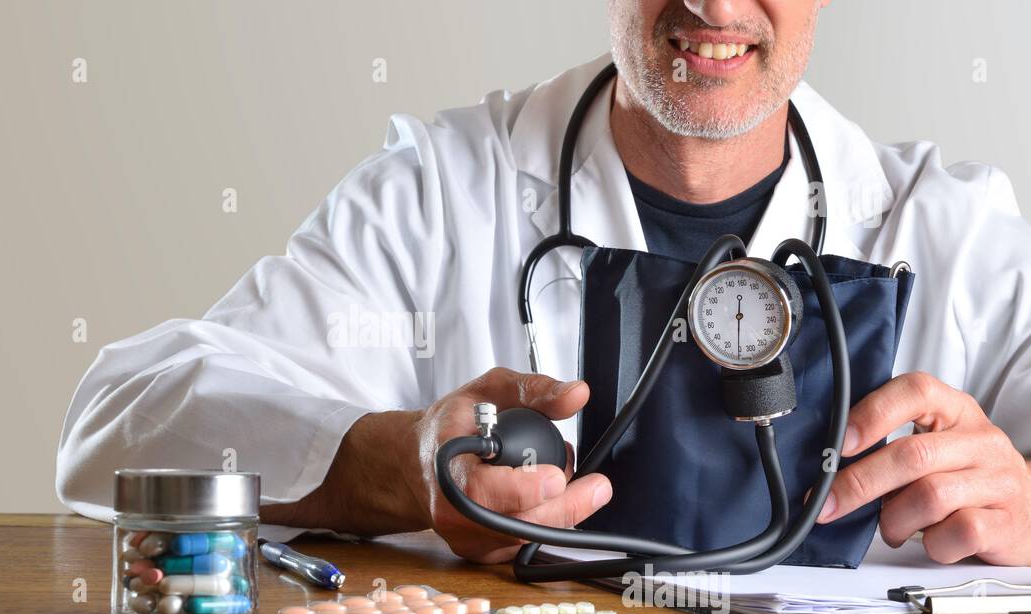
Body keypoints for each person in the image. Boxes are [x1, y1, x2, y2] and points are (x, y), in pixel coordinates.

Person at [56, 0, 1031, 567]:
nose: (717, 8)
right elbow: (116, 422)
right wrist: (394, 464)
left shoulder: (955, 223)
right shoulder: (439, 188)